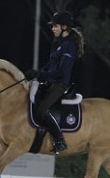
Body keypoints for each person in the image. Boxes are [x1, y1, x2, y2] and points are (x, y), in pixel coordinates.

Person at [25, 10, 84, 153]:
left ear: (64, 27)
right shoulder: (59, 43)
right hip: (50, 82)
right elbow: (50, 65)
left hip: (60, 84)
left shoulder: (69, 45)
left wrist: (42, 74)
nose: (52, 29)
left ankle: (60, 141)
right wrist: (36, 73)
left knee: (42, 110)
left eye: (55, 26)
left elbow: (61, 72)